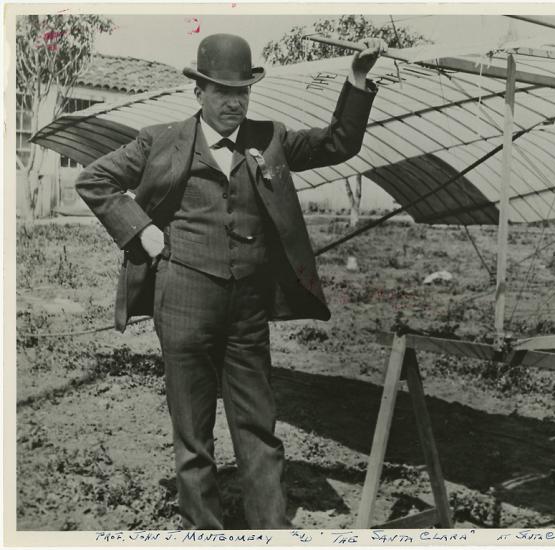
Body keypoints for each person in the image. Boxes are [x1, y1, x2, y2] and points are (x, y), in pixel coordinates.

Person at [76, 33, 386, 529]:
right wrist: (143, 231)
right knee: (193, 430)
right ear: (199, 92)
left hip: (247, 310)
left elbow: (338, 143)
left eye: (242, 91)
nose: (234, 102)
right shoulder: (159, 141)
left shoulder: (270, 139)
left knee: (258, 426)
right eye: (223, 91)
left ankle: (271, 530)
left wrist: (356, 79)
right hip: (182, 302)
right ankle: (206, 530)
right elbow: (94, 180)